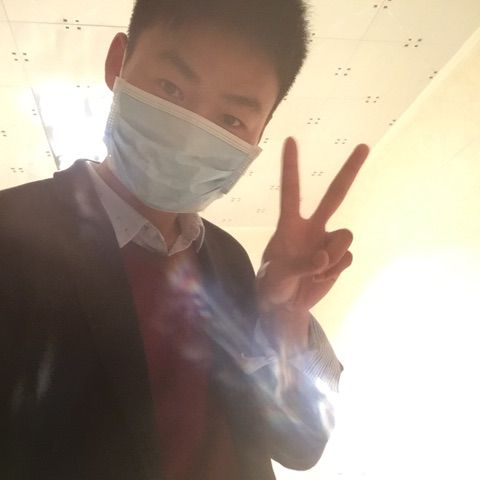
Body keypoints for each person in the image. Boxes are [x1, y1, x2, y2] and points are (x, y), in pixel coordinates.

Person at [0, 0, 369, 479]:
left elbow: (300, 445)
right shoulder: (12, 233)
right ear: (118, 63)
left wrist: (286, 317)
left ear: (259, 133)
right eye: (171, 88)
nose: (194, 134)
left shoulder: (230, 260)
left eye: (231, 119)